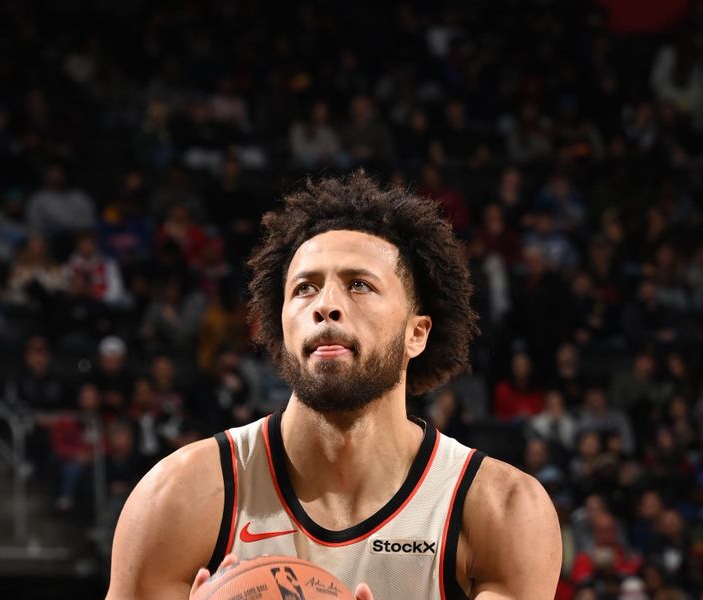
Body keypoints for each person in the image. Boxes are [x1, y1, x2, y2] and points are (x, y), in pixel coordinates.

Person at [107, 172, 561, 599]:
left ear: (417, 333)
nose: (326, 305)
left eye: (359, 285)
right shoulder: (182, 495)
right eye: (304, 288)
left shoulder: (501, 508)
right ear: (279, 324)